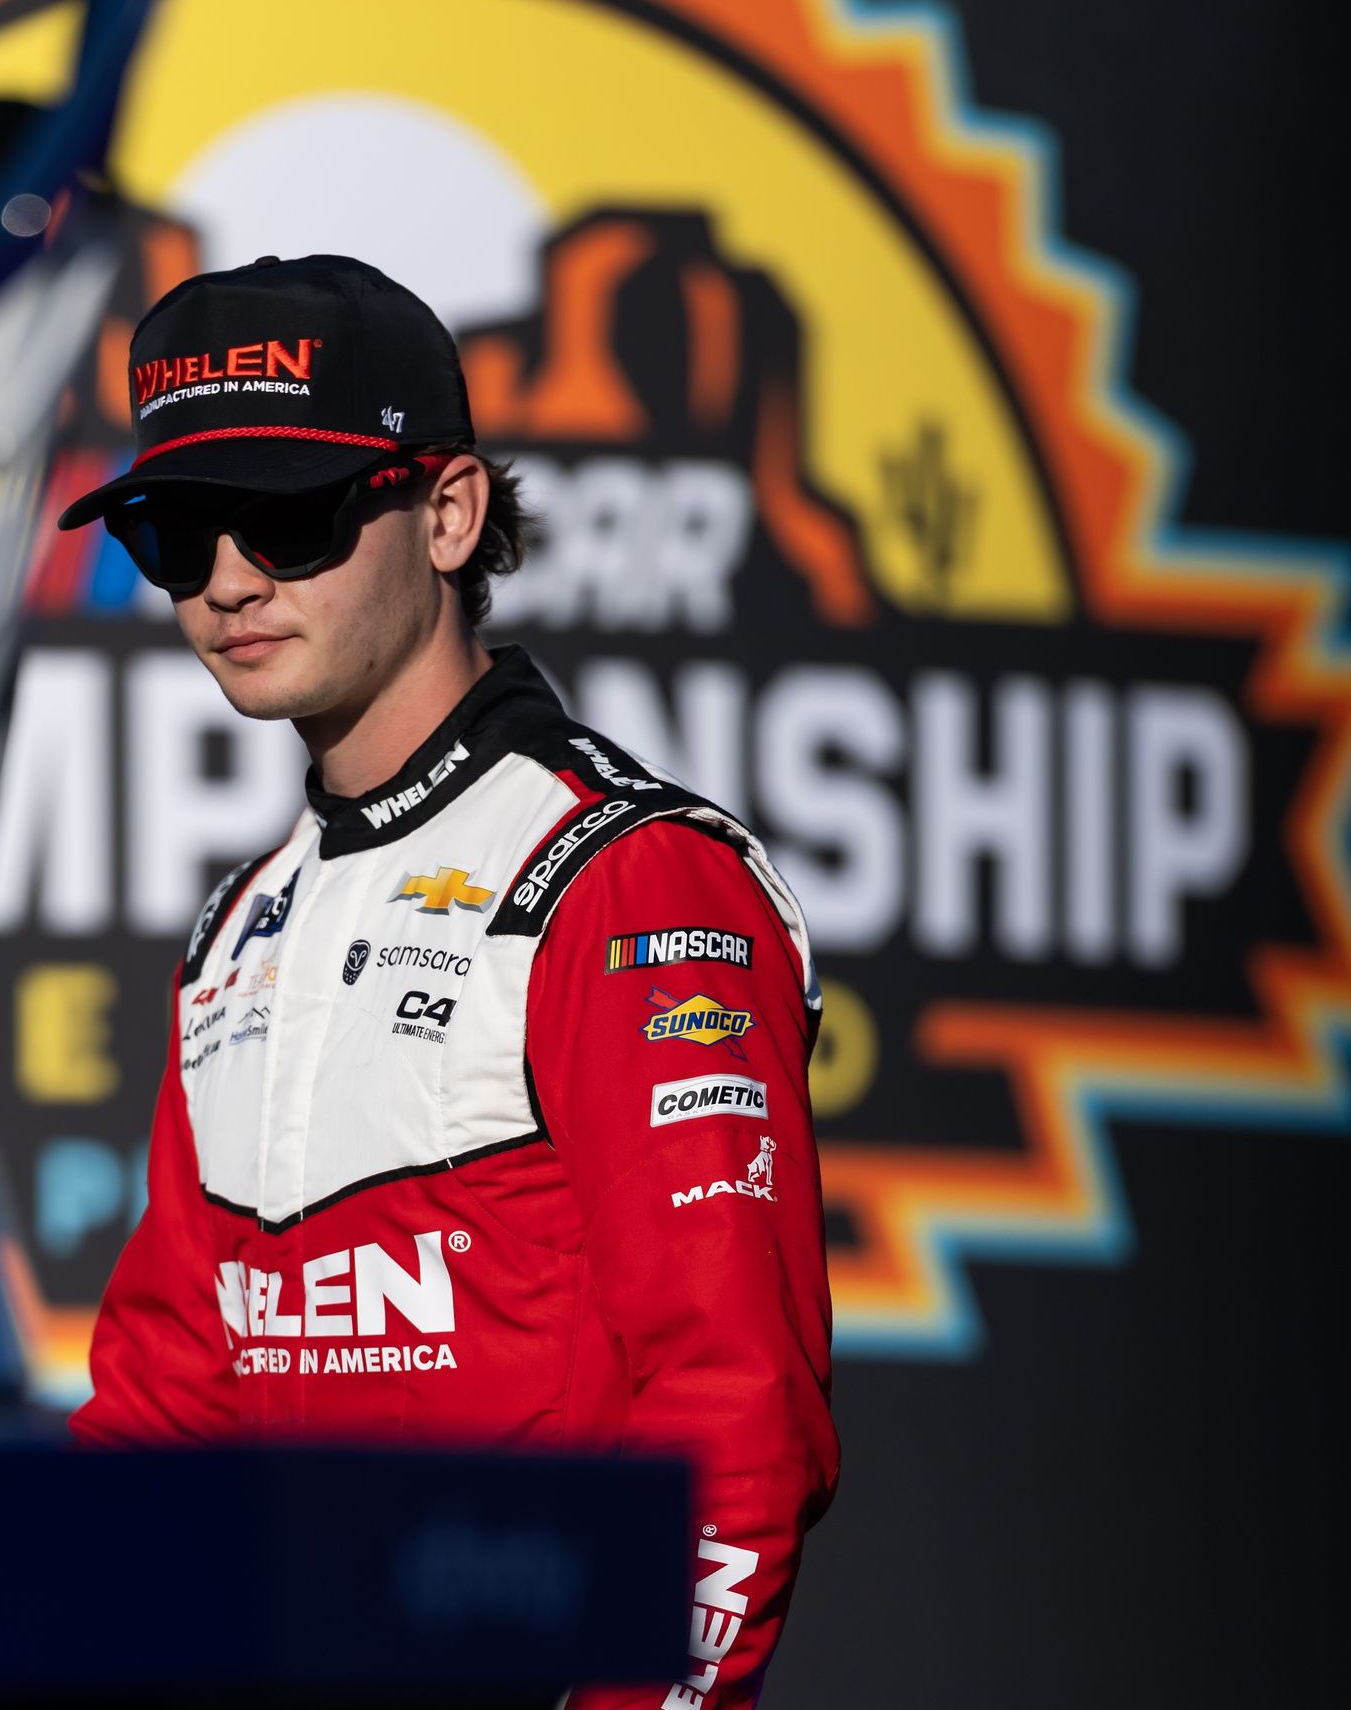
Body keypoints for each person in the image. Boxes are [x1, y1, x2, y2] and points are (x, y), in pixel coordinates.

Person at [54, 253, 838, 1708]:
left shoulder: (622, 879)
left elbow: (736, 1427)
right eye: (174, 532)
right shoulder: (243, 923)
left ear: (448, 511)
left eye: (286, 516)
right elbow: (168, 1409)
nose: (227, 580)